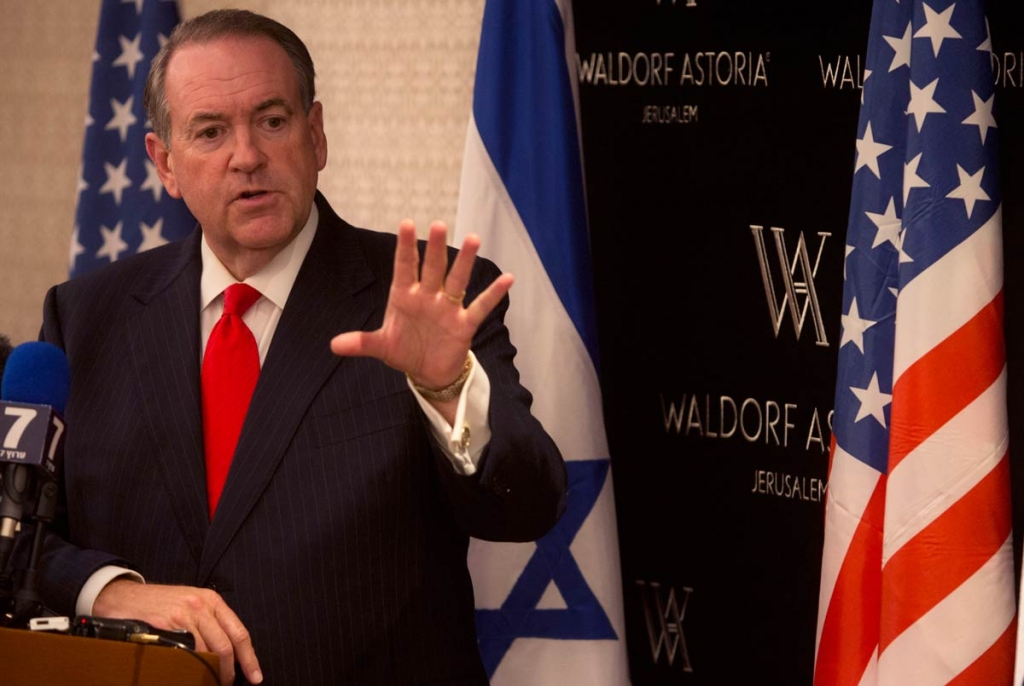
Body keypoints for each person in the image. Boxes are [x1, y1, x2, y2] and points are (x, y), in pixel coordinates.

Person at [29, 9, 566, 685]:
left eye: (272, 120)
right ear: (165, 164)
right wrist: (108, 589)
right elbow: (14, 541)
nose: (247, 155)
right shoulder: (85, 317)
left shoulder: (428, 298)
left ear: (316, 136)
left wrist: (447, 387)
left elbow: (526, 509)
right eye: (210, 131)